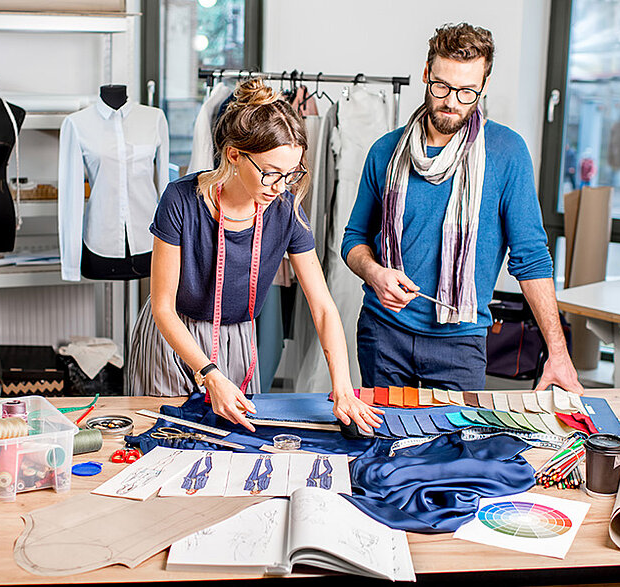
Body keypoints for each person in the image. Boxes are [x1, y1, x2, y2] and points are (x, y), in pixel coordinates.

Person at [342, 23, 582, 394]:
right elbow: (354, 239)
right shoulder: (385, 152)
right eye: (442, 86)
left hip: (460, 342)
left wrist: (558, 352)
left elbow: (531, 258)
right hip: (383, 334)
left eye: (467, 91)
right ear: (426, 73)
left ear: (484, 86)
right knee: (385, 432)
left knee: (457, 434)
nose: (452, 102)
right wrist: (374, 273)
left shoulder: (507, 153)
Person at [143, 79, 383, 432]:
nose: (281, 186)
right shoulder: (180, 200)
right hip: (177, 337)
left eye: (290, 174)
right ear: (234, 155)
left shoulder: (286, 210)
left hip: (239, 338)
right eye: (270, 173)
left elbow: (322, 307)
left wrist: (344, 389)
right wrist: (209, 373)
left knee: (237, 441)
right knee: (168, 439)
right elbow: (162, 307)